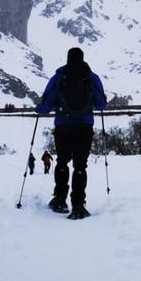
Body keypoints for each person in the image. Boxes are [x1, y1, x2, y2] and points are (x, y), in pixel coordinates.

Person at [34, 47, 106, 219]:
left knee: (62, 162)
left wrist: (40, 108)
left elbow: (46, 105)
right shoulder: (91, 77)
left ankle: (60, 199)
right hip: (85, 127)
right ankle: (79, 205)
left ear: (67, 58)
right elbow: (101, 104)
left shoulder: (59, 77)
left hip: (63, 126)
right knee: (80, 166)